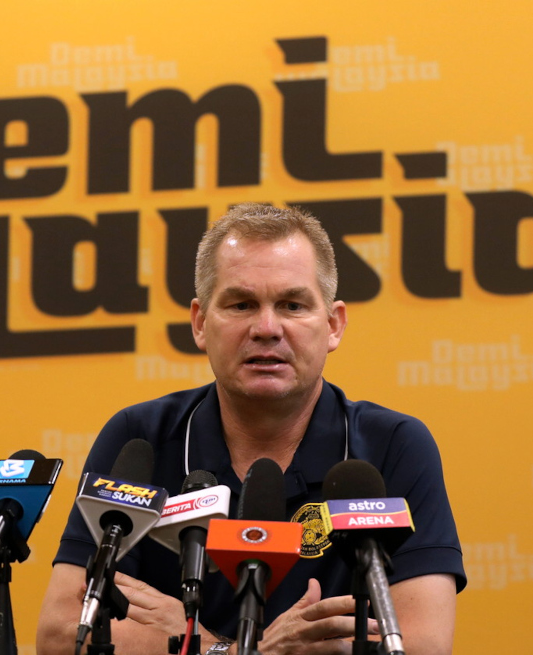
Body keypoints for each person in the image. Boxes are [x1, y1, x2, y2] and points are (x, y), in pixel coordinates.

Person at [37, 203, 465, 655]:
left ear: (333, 325)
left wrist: (187, 642)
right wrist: (229, 651)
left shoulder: (393, 445)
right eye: (241, 304)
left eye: (292, 305)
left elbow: (424, 646)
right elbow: (62, 634)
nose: (266, 328)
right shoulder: (138, 437)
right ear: (200, 323)